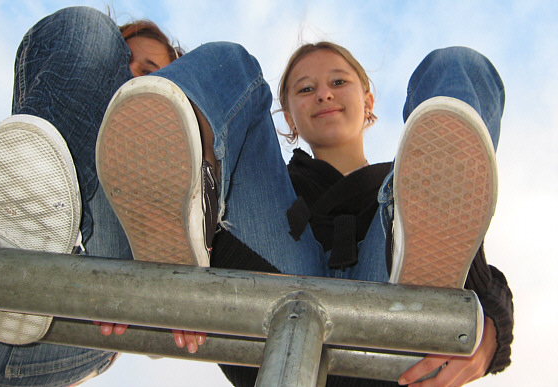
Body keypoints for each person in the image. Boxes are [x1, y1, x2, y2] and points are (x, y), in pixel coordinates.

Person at [92, 40, 513, 386]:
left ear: (367, 102)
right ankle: (193, 167)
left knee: (456, 64)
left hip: (389, 315)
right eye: (305, 89)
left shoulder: (413, 183)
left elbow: (480, 268)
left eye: (338, 81)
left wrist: (490, 328)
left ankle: (421, 301)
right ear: (289, 118)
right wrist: (134, 264)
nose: (324, 93)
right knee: (232, 61)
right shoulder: (266, 188)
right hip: (275, 307)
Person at [0, 7, 185, 386]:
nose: (128, 74)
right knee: (81, 28)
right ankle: (16, 232)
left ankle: (37, 254)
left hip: (68, 319)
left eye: (149, 72)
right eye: (119, 62)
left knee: (92, 34)